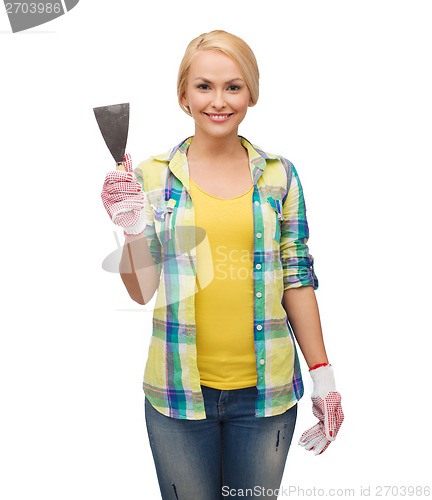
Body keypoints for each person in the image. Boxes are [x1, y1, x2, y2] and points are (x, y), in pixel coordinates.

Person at [101, 30, 344, 500]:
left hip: (267, 397)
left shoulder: (279, 176)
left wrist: (323, 376)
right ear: (184, 95)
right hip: (177, 395)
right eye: (204, 86)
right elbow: (141, 289)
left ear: (251, 92)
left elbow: (296, 278)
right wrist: (132, 230)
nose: (219, 101)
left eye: (233, 86)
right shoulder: (150, 176)